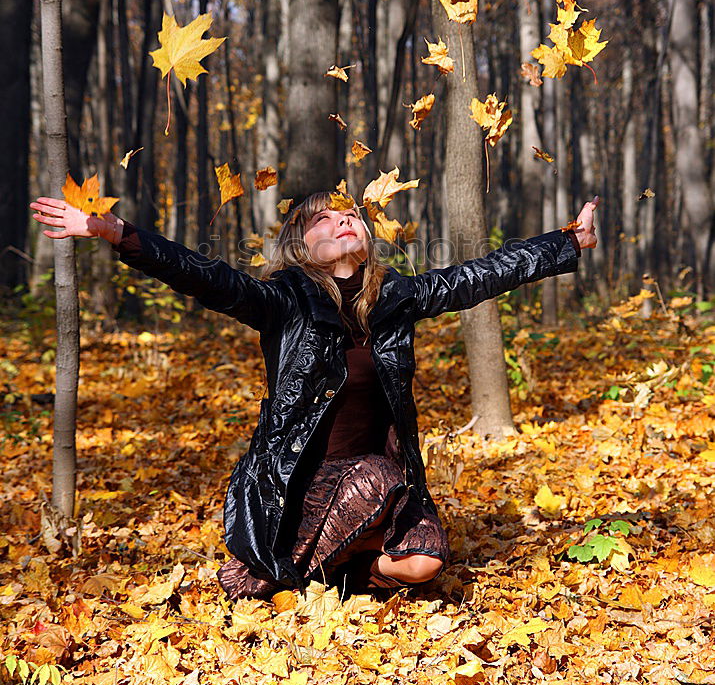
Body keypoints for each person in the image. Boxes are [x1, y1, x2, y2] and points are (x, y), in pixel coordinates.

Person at [30, 190, 599, 599]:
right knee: (372, 482)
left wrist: (566, 242)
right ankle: (288, 560)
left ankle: (339, 572)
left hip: (378, 475)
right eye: (321, 220)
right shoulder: (284, 300)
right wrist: (117, 234)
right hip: (298, 484)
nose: (341, 220)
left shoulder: (396, 296)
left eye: (348, 213)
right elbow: (207, 277)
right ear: (301, 247)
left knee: (424, 565)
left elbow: (479, 275)